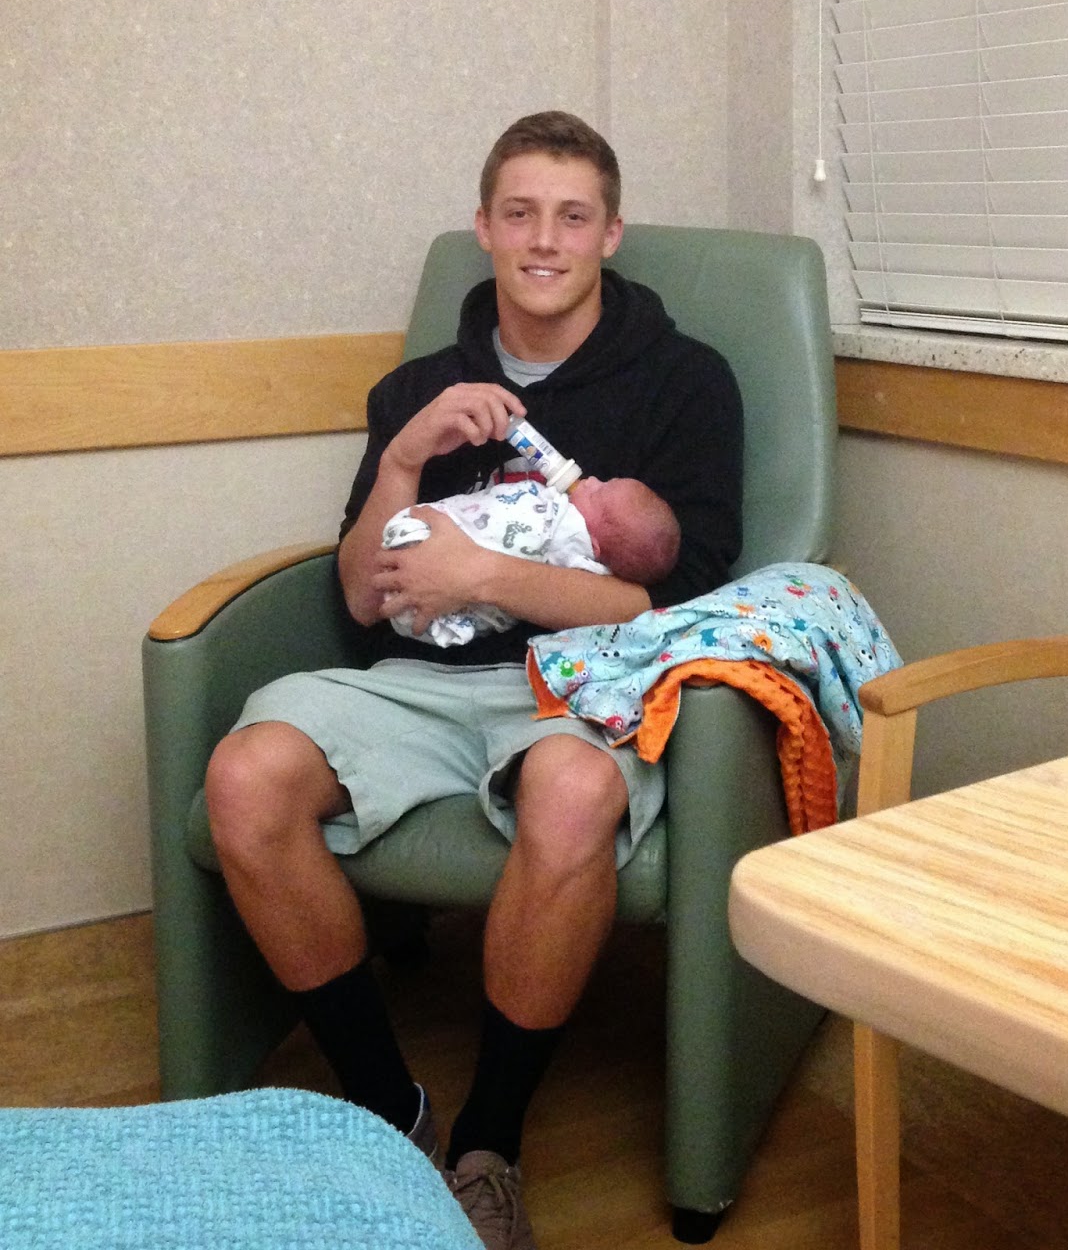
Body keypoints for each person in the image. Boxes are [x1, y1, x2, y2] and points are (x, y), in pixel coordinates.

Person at [203, 110, 743, 1250]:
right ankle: (387, 1114)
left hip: (573, 684)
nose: (545, 240)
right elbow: (363, 599)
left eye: (573, 216)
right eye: (520, 213)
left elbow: (678, 604)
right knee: (246, 778)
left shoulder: (687, 382)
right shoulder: (419, 386)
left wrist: (487, 574)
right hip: (413, 680)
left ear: (610, 234)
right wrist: (407, 454)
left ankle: (487, 1146)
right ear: (484, 227)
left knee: (576, 792)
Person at [382, 472, 681, 647]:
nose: (590, 481)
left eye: (598, 493)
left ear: (594, 546)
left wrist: (473, 572)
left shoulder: (573, 544)